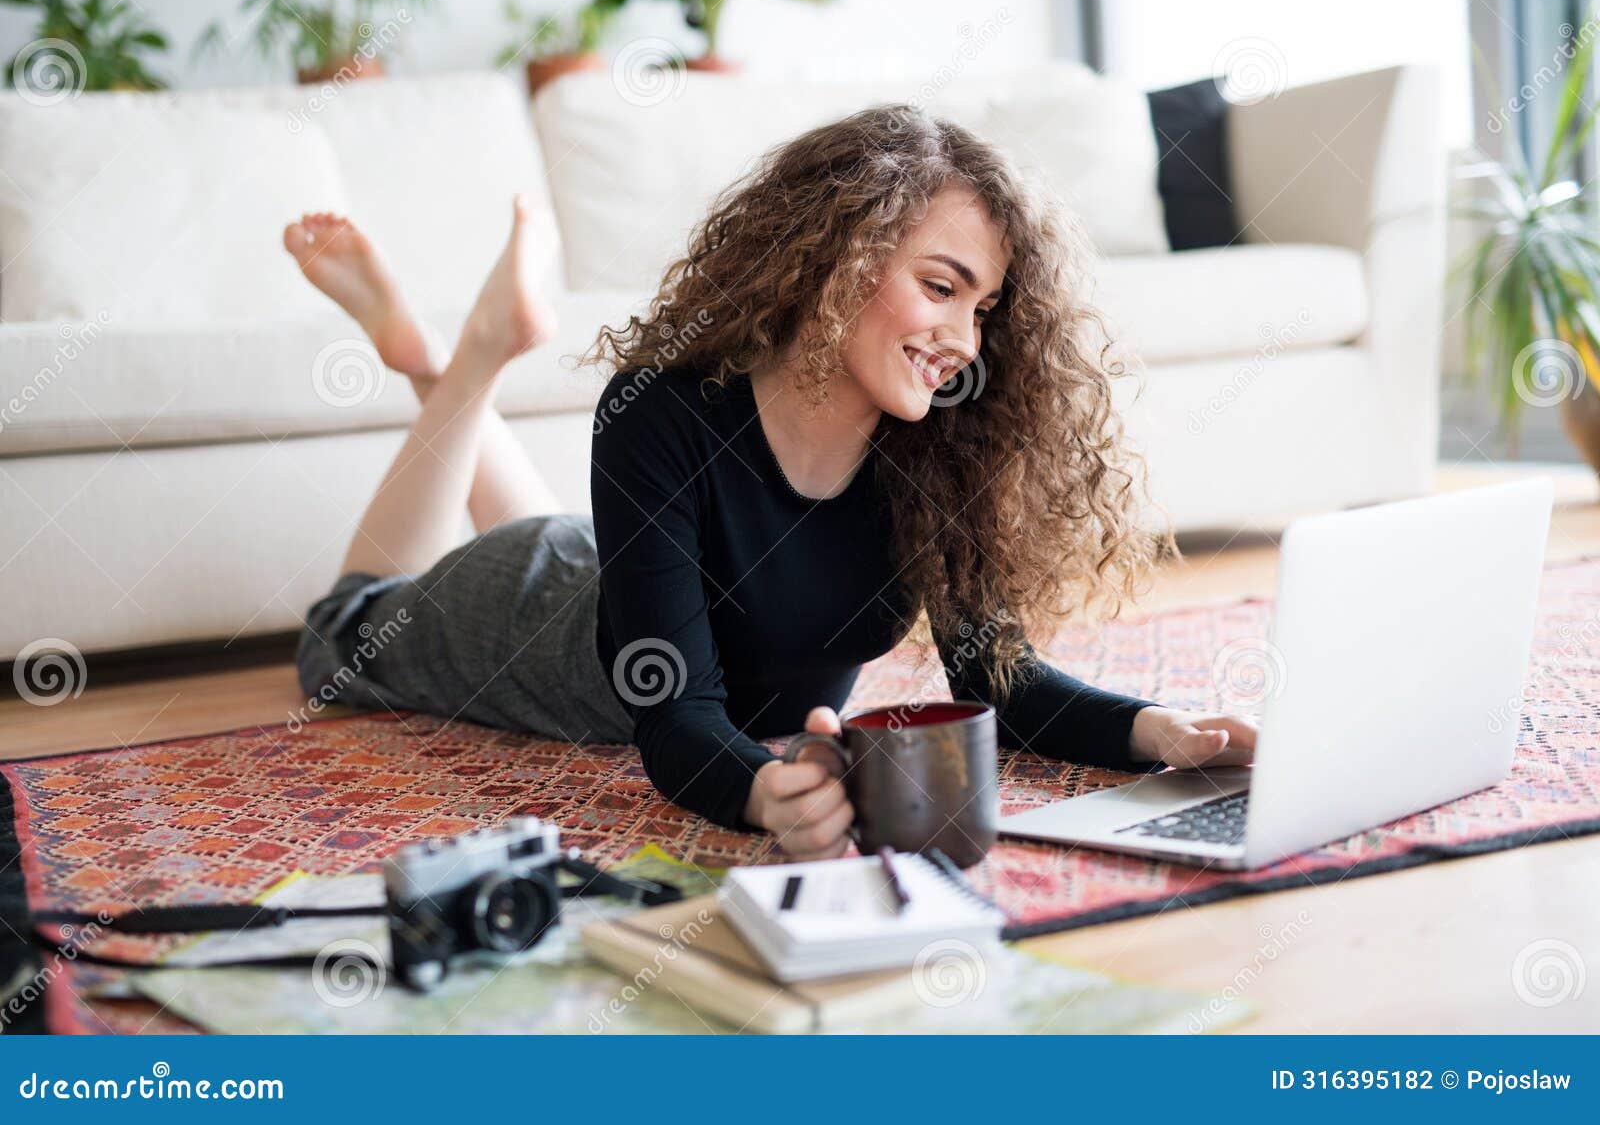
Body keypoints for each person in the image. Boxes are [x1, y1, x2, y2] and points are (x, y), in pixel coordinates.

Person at [291, 104, 1258, 861]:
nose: (964, 341)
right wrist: (762, 789)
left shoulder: (935, 448)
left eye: (984, 306)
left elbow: (994, 675)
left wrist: (1156, 732)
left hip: (621, 574)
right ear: (837, 256)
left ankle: (445, 365)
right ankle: (458, 363)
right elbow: (675, 718)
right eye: (939, 286)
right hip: (532, 615)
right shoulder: (661, 410)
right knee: (341, 627)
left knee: (593, 545)